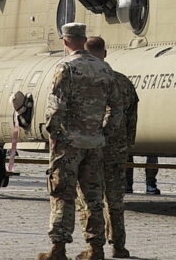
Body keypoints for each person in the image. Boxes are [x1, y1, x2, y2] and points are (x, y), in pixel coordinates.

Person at [39, 23, 114, 260]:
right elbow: (116, 107)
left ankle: (58, 248)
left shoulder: (66, 68)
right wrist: (103, 132)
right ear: (83, 39)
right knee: (93, 197)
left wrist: (55, 136)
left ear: (65, 41)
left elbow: (55, 108)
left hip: (69, 144)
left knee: (62, 193)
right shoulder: (104, 68)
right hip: (94, 143)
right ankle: (96, 248)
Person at [85, 36, 137, 258]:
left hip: (91, 149)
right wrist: (127, 144)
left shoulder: (85, 81)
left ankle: (94, 247)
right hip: (116, 150)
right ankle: (119, 245)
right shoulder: (123, 82)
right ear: (105, 54)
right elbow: (132, 117)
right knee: (115, 199)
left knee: (91, 199)